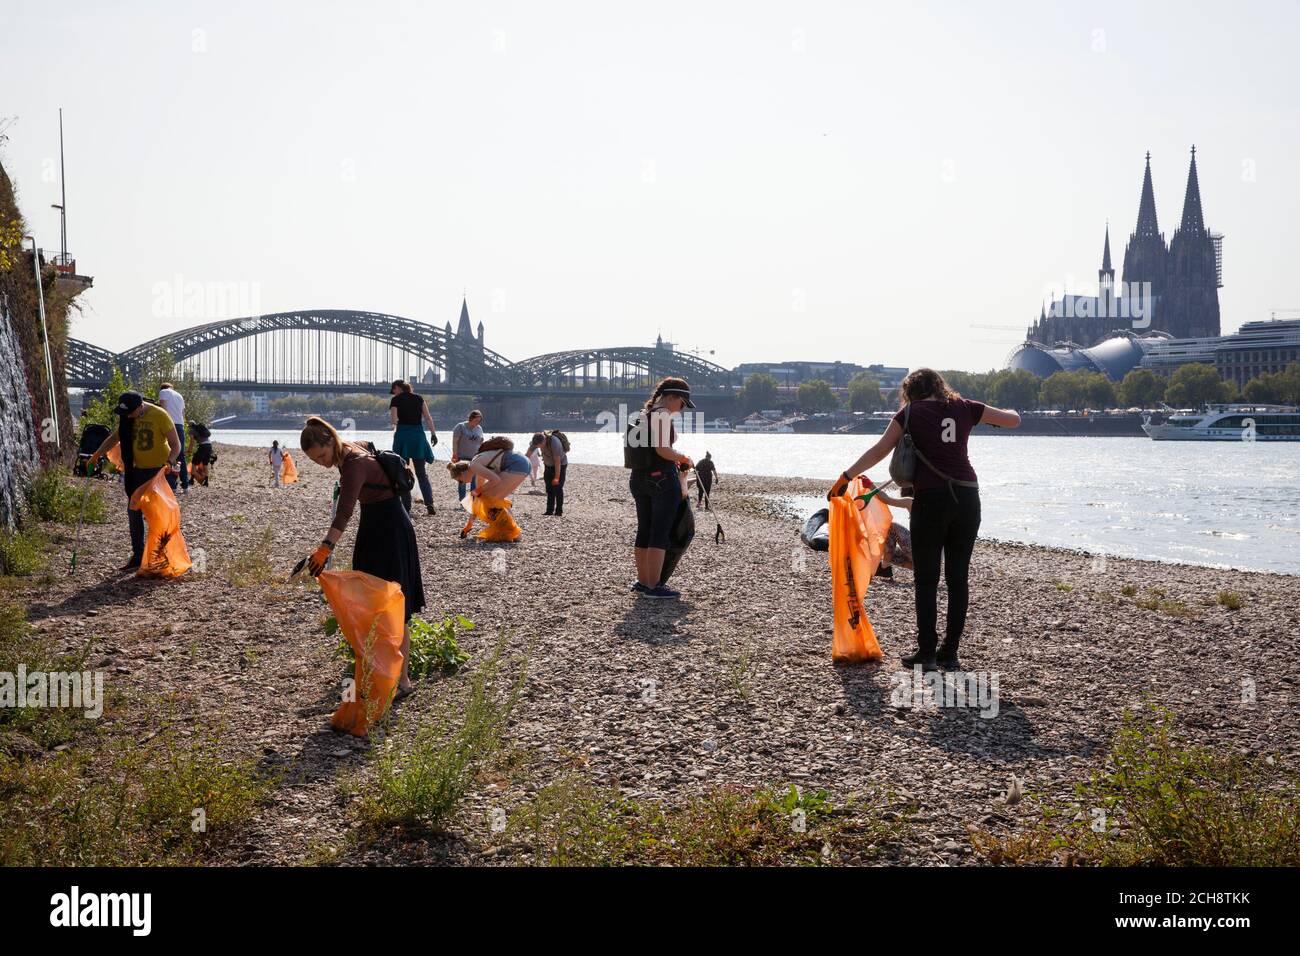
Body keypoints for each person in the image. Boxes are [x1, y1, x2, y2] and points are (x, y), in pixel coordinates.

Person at [830, 368, 1021, 671]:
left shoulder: (910, 412)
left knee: (927, 579)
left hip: (931, 500)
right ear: (939, 386)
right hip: (968, 499)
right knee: (958, 578)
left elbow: (880, 450)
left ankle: (927, 653)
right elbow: (1013, 420)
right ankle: (951, 652)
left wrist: (846, 477)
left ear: (910, 392)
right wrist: (1006, 410)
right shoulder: (966, 407)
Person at [301, 417, 424, 698]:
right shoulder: (351, 449)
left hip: (390, 529)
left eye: (321, 455)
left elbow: (344, 513)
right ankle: (379, 669)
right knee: (372, 603)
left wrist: (324, 549)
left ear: (331, 441)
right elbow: (370, 447)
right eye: (314, 460)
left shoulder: (353, 465)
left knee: (396, 606)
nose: (321, 463)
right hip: (375, 527)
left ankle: (401, 680)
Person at [88, 391, 182, 571]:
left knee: (159, 515)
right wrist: (96, 455)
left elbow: (176, 445)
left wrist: (170, 462)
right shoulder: (127, 417)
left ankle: (163, 556)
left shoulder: (160, 415)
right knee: (133, 511)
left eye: (130, 412)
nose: (127, 416)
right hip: (136, 471)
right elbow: (115, 438)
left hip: (159, 473)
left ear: (140, 407)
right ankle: (138, 556)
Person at [625, 377, 695, 599]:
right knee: (660, 532)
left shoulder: (641, 415)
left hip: (639, 478)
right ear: (674, 397)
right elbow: (662, 450)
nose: (681, 410)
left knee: (644, 530)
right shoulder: (662, 414)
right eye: (683, 404)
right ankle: (654, 585)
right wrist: (684, 457)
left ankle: (644, 581)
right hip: (662, 479)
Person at [388, 379, 438, 516]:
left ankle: (406, 507)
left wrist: (397, 422)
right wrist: (433, 434)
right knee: (421, 473)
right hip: (418, 436)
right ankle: (429, 503)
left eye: (393, 390)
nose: (393, 393)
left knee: (403, 473)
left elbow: (393, 421)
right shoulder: (419, 398)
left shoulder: (396, 400)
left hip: (403, 437)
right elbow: (428, 418)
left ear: (398, 388)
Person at [157, 382, 190, 494]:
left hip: (169, 424)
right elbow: (183, 414)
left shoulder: (163, 392)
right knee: (180, 455)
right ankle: (185, 485)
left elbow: (163, 410)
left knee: (169, 454)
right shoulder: (179, 395)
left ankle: (172, 485)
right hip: (180, 425)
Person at [451, 410, 485, 501]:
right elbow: (455, 442)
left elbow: (481, 442)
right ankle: (462, 500)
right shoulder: (460, 427)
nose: (477, 423)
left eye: (479, 421)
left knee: (474, 481)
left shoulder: (479, 428)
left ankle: (473, 500)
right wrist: (455, 454)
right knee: (462, 480)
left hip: (475, 458)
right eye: (476, 420)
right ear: (471, 418)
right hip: (462, 457)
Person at [538, 429, 568, 516]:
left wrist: (556, 477)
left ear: (544, 441)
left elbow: (557, 461)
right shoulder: (537, 441)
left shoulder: (554, 442)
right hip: (548, 465)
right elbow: (529, 453)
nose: (540, 448)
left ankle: (559, 511)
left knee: (558, 488)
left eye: (541, 446)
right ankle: (549, 511)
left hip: (560, 465)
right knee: (549, 489)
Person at [189, 421, 215, 486]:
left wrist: (190, 450)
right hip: (209, 446)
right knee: (205, 464)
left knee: (194, 463)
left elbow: (192, 441)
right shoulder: (200, 428)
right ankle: (206, 482)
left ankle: (191, 480)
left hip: (203, 446)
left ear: (189, 426)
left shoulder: (192, 430)